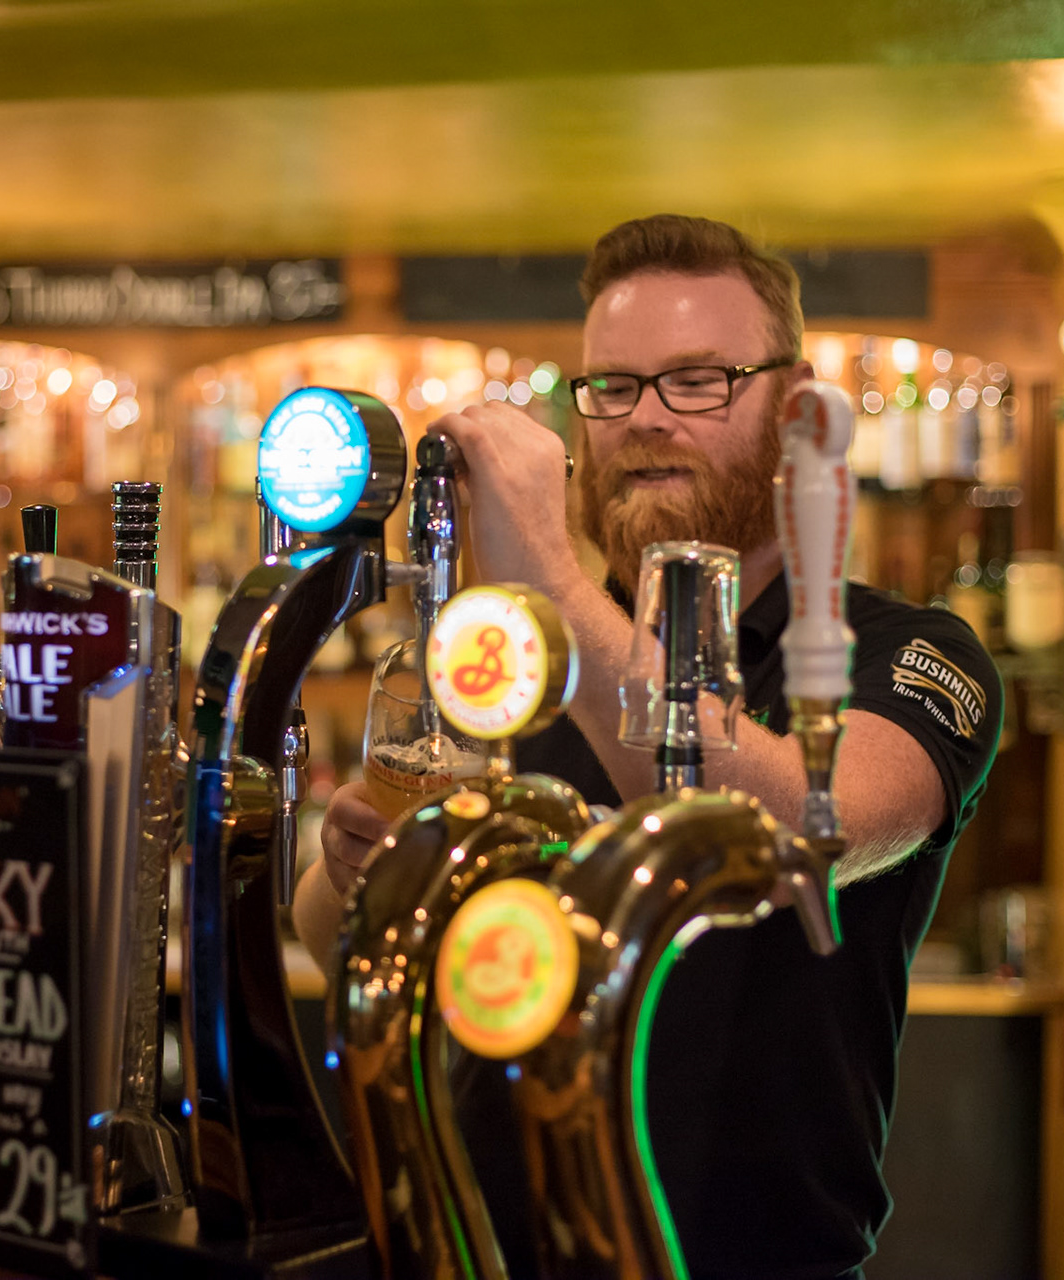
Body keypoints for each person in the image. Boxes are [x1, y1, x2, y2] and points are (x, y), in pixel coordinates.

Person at [292, 214, 1003, 1280]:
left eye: (699, 381)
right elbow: (330, 922)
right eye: (612, 387)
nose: (645, 419)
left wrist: (556, 586)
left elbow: (813, 829)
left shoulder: (903, 653)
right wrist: (357, 866)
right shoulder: (513, 654)